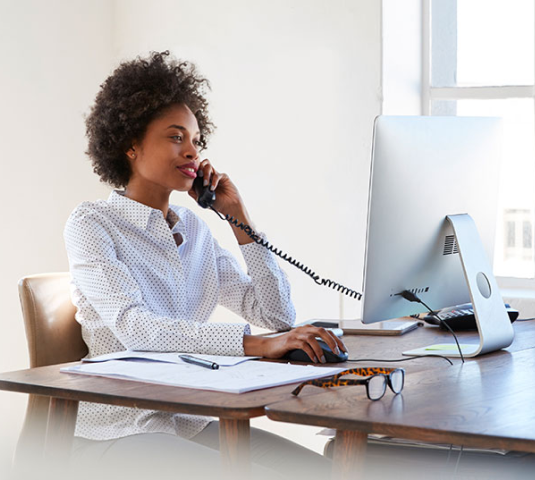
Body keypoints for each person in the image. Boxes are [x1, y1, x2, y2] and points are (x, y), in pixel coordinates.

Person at [64, 50, 346, 479]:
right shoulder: (91, 224)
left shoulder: (193, 228)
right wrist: (255, 344)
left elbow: (275, 315)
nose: (192, 151)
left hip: (187, 422)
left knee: (325, 472)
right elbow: (138, 329)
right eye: (176, 137)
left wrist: (240, 219)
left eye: (196, 139)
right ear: (131, 144)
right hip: (117, 432)